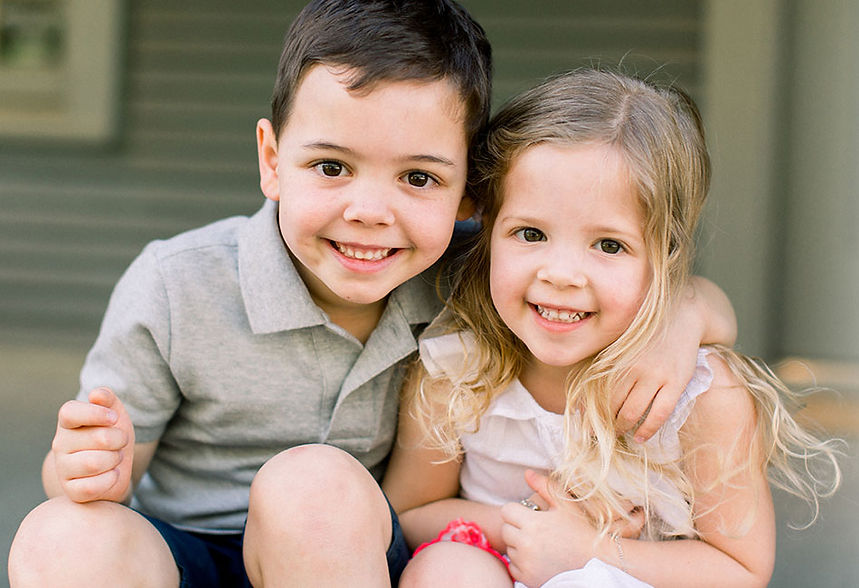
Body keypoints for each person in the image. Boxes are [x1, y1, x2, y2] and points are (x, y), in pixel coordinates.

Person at [8, 3, 734, 586]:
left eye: (417, 178)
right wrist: (83, 465)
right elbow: (95, 473)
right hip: (187, 551)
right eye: (331, 166)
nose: (369, 211)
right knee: (63, 533)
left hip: (347, 557)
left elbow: (689, 297)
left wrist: (682, 315)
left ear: (466, 195)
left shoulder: (476, 274)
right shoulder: (177, 283)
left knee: (313, 486)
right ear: (271, 160)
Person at [383, 68, 841, 588]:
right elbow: (411, 511)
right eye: (530, 233)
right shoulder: (458, 371)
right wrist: (531, 531)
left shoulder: (702, 397)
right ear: (487, 235)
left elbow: (740, 570)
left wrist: (590, 552)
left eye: (608, 245)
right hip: (494, 564)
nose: (560, 274)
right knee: (448, 571)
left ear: (663, 258)